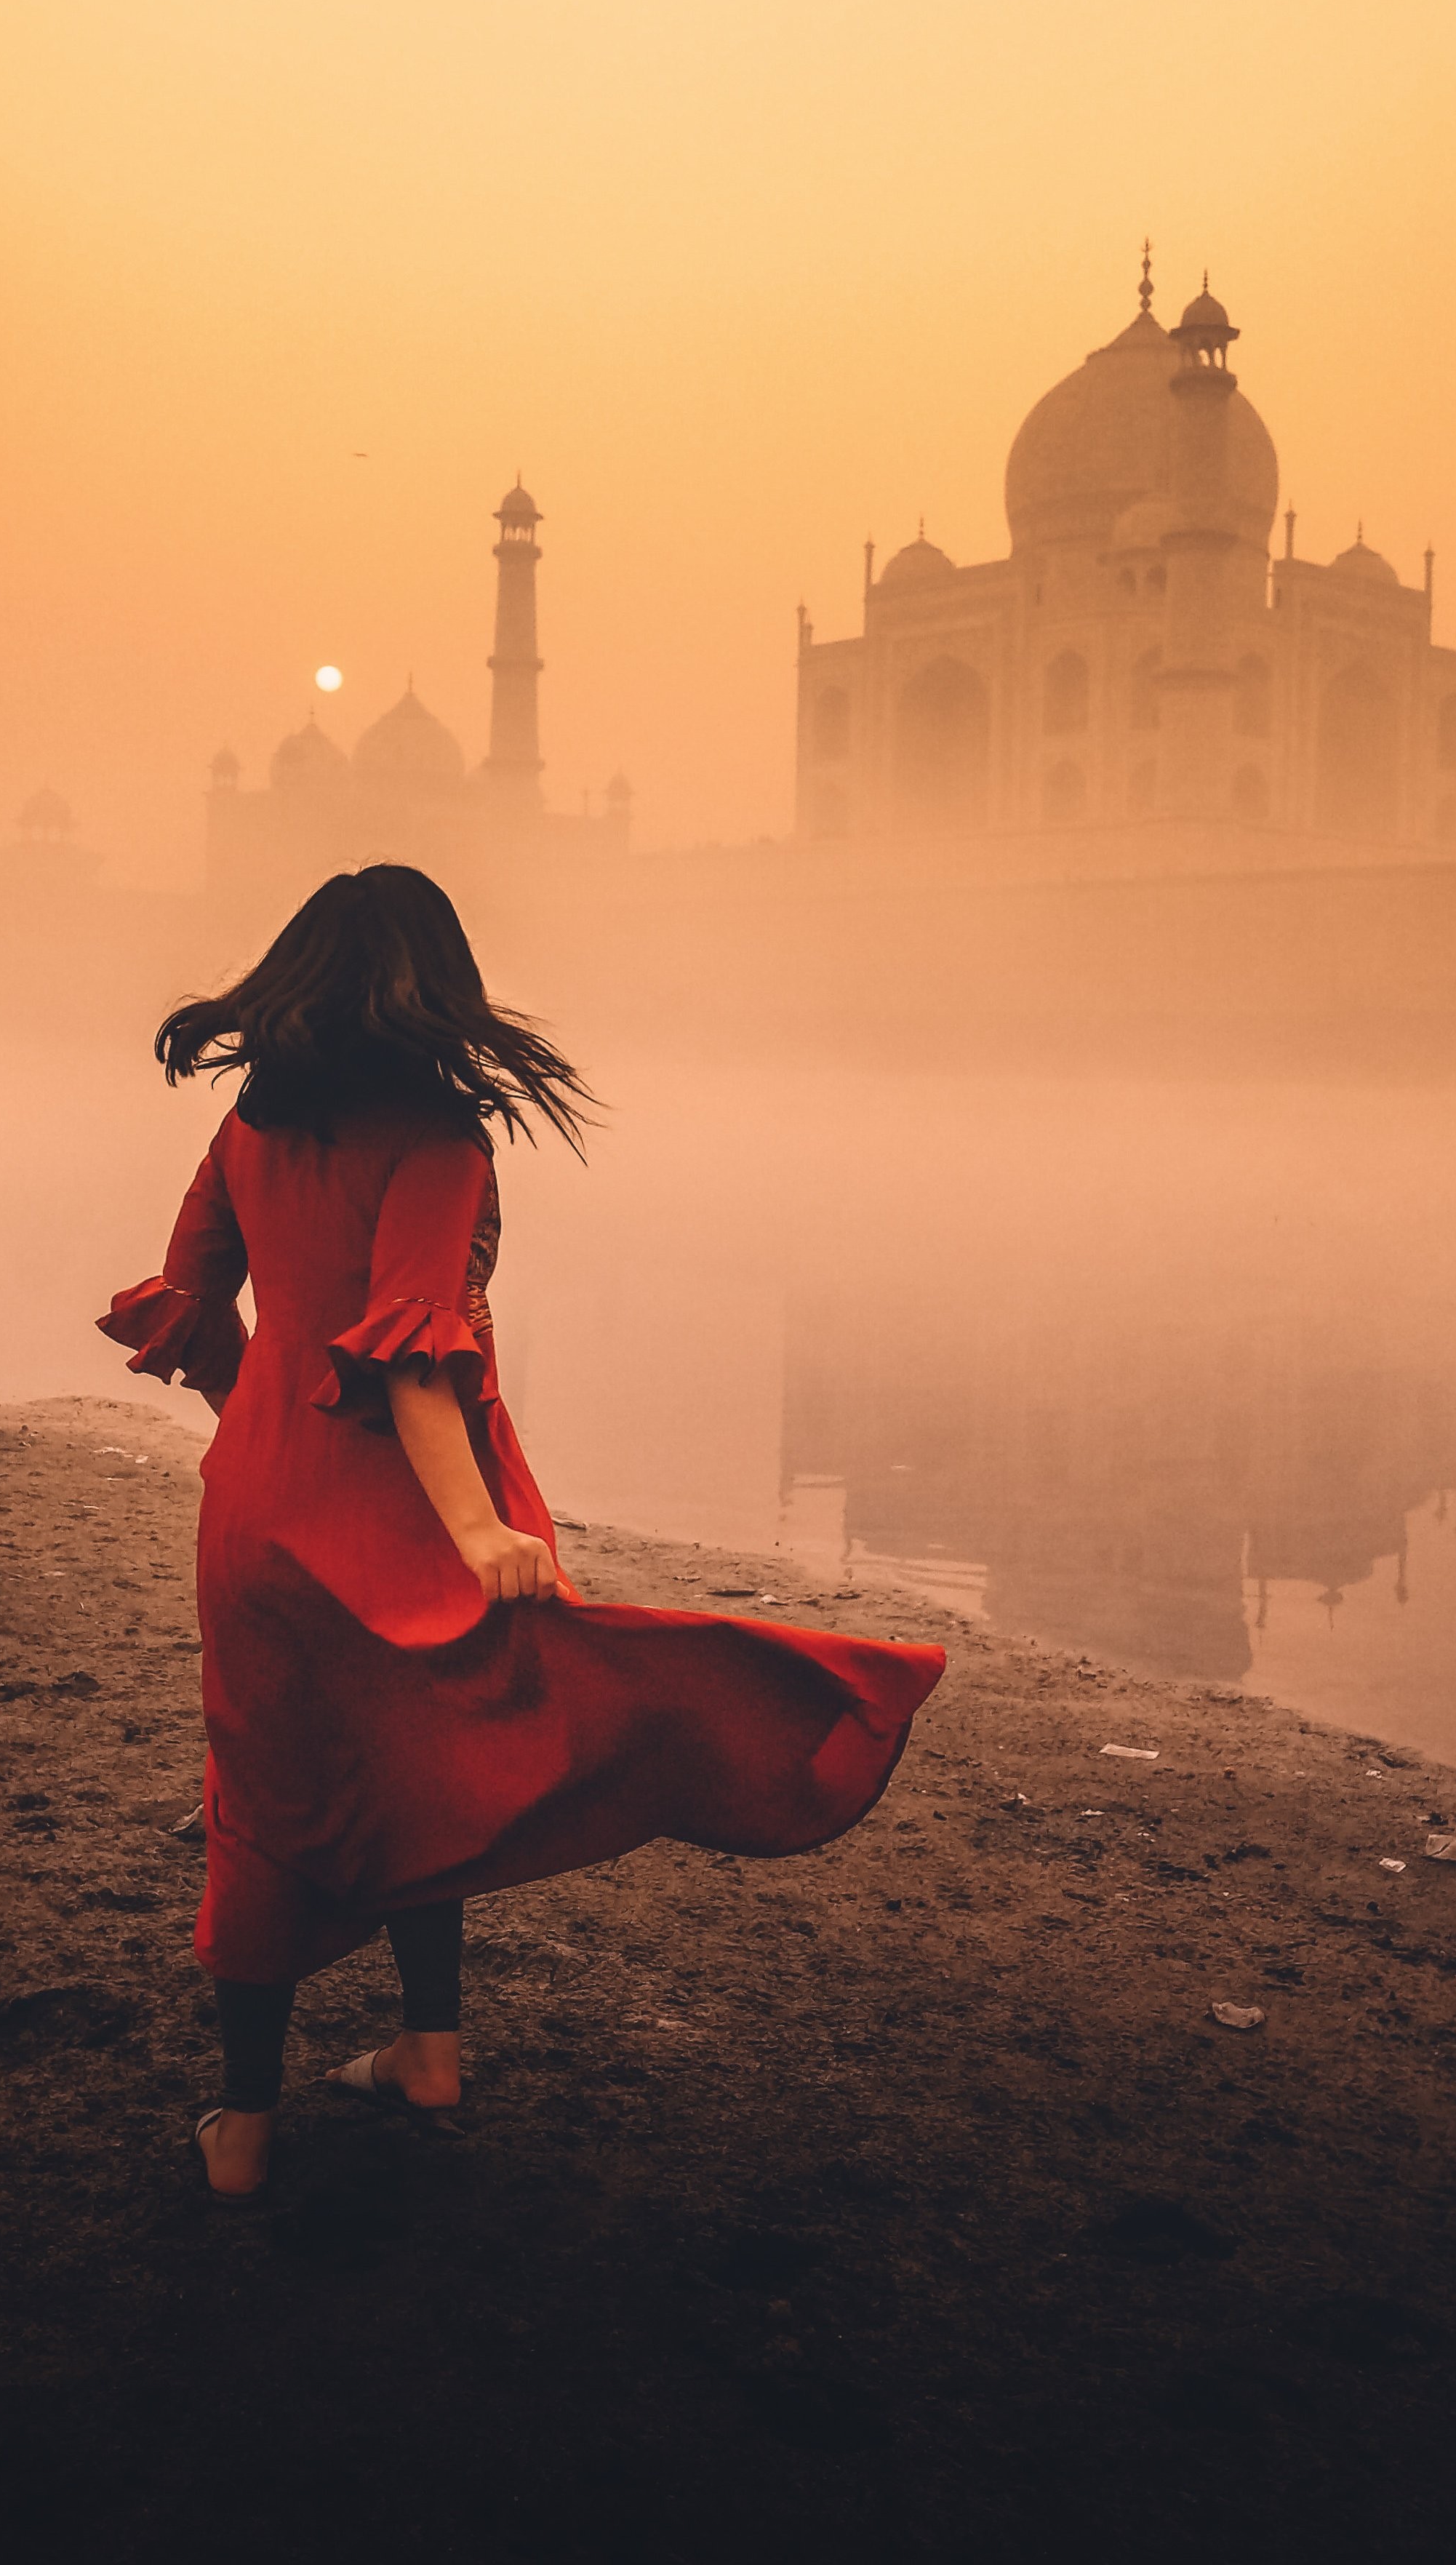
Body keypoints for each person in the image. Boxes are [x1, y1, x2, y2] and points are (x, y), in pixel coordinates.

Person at [100, 864, 945, 2203]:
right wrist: (480, 1527)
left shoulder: (250, 1132)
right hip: (417, 1513)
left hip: (255, 1511)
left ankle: (253, 2131)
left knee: (268, 1804)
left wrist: (265, 1434)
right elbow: (415, 1366)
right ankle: (426, 2050)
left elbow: (203, 1314)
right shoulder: (439, 1142)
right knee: (428, 1763)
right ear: (440, 986)